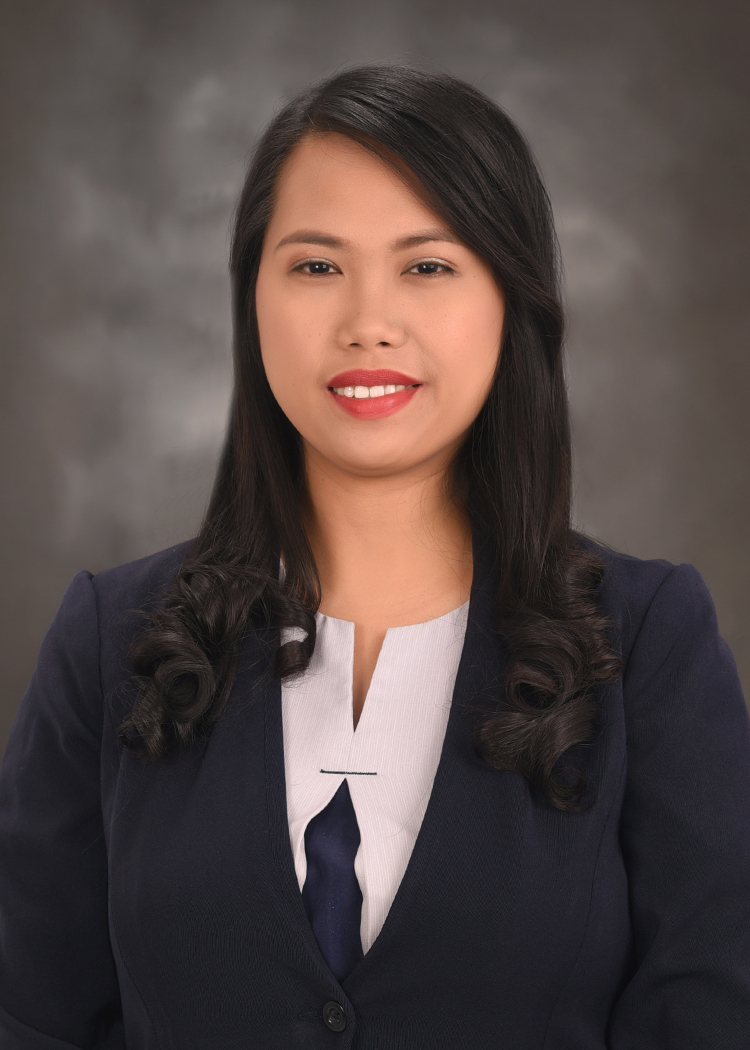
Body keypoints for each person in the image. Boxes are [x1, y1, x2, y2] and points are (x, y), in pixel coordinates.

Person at [1, 64, 749, 1049]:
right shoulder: (111, 639)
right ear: (253, 298)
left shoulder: (650, 643)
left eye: (427, 266)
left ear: (510, 299)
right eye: (316, 266)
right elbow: (32, 1016)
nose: (367, 324)